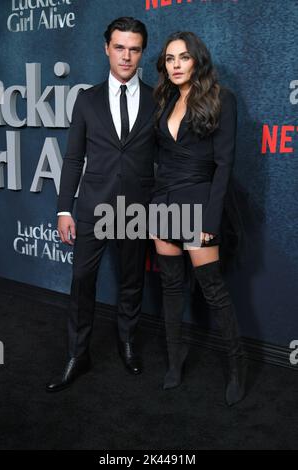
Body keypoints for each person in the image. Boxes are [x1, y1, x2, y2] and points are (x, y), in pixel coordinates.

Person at [46, 17, 157, 392]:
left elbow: (170, 156)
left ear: (143, 52)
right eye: (120, 47)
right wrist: (64, 209)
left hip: (137, 208)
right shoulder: (87, 99)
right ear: (106, 48)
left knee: (131, 281)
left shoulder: (159, 99)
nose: (127, 56)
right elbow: (73, 158)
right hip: (94, 206)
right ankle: (78, 353)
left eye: (135, 49)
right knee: (81, 280)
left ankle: (127, 342)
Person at [149, 31, 246, 406]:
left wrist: (211, 219)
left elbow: (224, 165)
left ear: (197, 61)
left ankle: (237, 369)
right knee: (171, 289)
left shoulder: (223, 99)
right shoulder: (164, 100)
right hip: (161, 205)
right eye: (170, 59)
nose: (175, 65)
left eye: (183, 57)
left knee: (214, 291)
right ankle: (175, 364)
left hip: (199, 204)